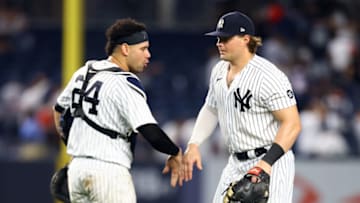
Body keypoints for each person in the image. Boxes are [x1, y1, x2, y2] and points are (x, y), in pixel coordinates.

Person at [53, 18, 183, 203]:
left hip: (76, 170)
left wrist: (74, 145)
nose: (148, 55)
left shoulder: (85, 72)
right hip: (109, 173)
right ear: (125, 49)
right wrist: (175, 152)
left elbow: (58, 110)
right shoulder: (125, 83)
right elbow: (150, 132)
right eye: (143, 49)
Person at [183, 11, 302, 202]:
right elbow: (211, 108)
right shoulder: (219, 69)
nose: (219, 43)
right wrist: (194, 143)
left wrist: (265, 165)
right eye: (218, 38)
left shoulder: (268, 76)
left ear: (246, 39)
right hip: (235, 162)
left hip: (271, 161)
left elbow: (292, 124)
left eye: (225, 38)